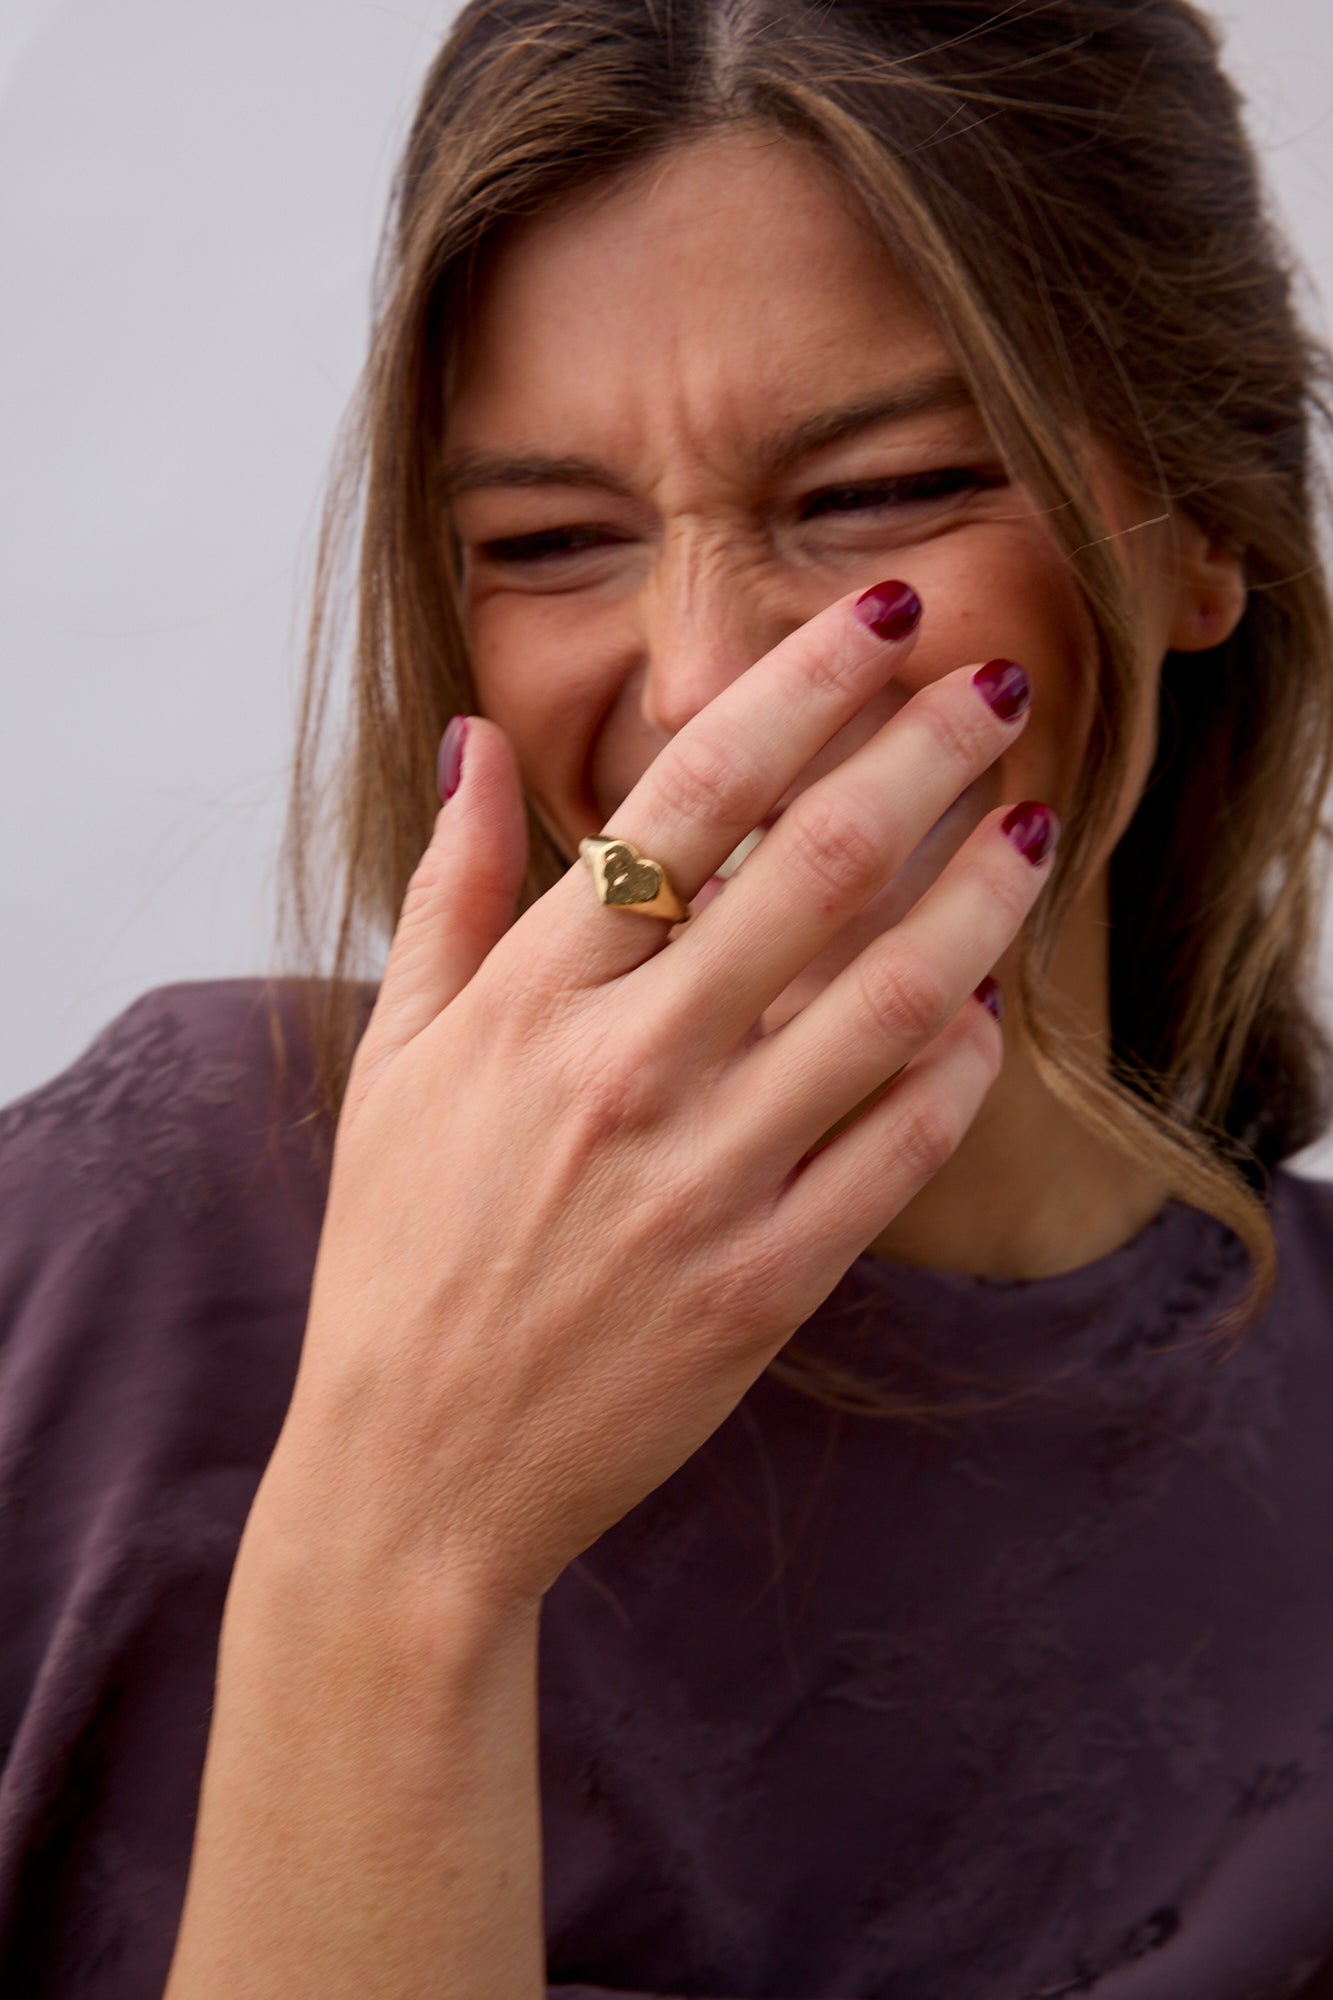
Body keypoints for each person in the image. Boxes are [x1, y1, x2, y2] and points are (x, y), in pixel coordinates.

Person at [3, 0, 1333, 1993]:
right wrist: (404, 1539)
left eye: (875, 498)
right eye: (548, 541)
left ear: (1202, 528)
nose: (703, 678)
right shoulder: (148, 1219)